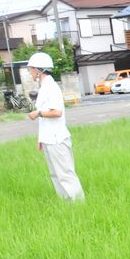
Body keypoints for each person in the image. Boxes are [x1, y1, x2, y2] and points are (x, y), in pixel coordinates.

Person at [26, 52, 85, 201]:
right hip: (49, 139)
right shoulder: (45, 86)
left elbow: (56, 112)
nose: (30, 72)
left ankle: (78, 205)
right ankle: (67, 204)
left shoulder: (51, 87)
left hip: (57, 140)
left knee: (65, 174)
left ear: (39, 70)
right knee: (55, 174)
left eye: (31, 69)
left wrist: (38, 113)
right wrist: (41, 139)